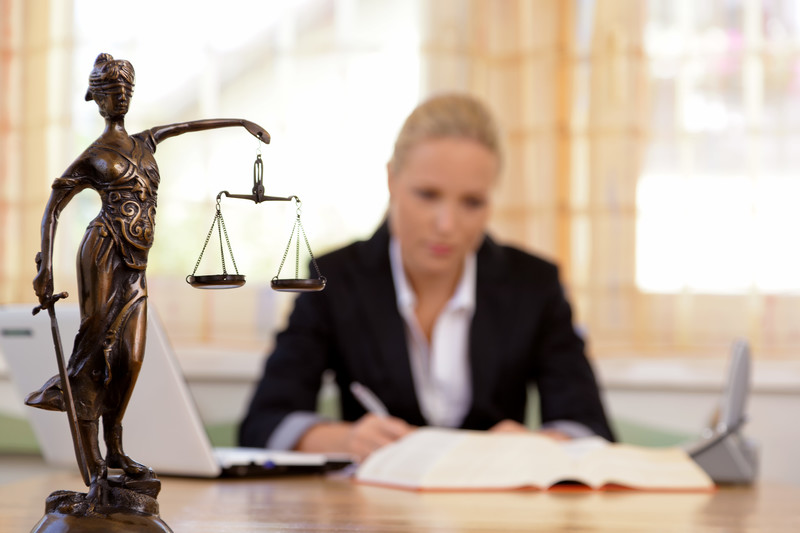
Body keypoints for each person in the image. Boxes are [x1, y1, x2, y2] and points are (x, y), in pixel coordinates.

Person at [239, 93, 614, 460]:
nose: (446, 225)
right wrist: (346, 439)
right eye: (427, 195)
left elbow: (590, 429)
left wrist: (538, 446)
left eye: (472, 202)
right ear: (391, 180)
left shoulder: (533, 284)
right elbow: (264, 422)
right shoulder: (335, 279)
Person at [28, 53, 269, 500]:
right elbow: (54, 205)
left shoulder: (146, 141)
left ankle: (116, 448)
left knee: (131, 356)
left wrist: (239, 121)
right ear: (96, 99)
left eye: (124, 90)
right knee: (94, 348)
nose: (118, 97)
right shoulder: (94, 155)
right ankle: (94, 459)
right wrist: (44, 265)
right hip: (102, 250)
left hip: (137, 261)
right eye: (109, 91)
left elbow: (188, 127)